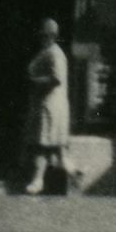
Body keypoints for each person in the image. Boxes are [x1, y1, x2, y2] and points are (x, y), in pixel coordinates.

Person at [24, 26, 78, 194]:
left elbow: (56, 78)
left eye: (44, 35)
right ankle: (72, 173)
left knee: (43, 144)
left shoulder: (55, 53)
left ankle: (38, 180)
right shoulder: (46, 51)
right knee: (55, 147)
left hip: (50, 104)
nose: (41, 38)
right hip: (44, 103)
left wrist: (35, 81)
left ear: (52, 36)